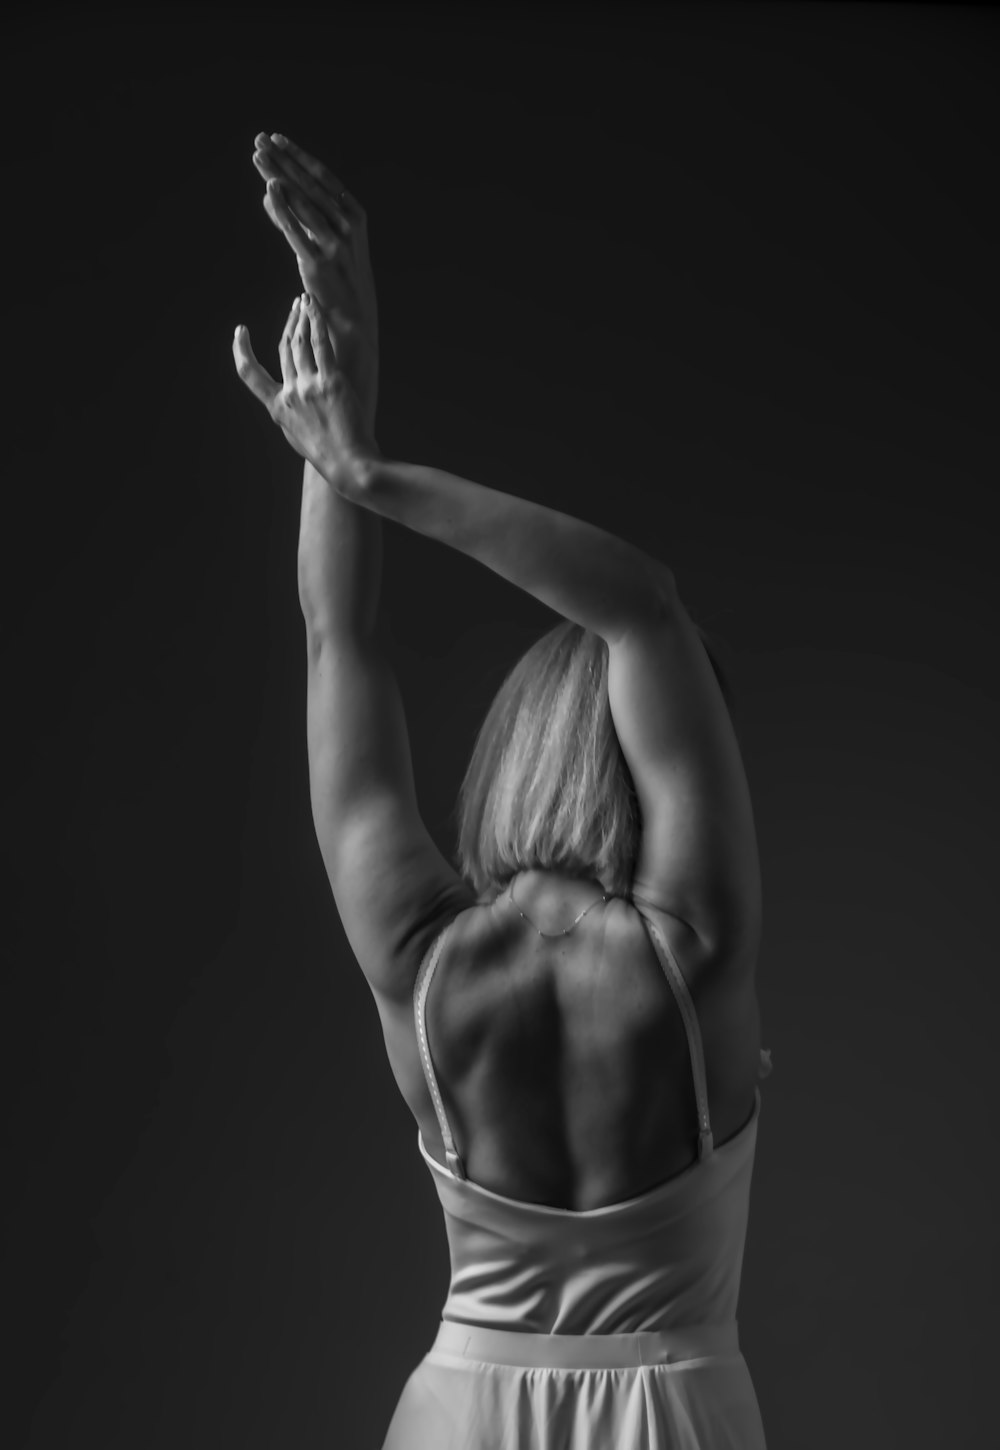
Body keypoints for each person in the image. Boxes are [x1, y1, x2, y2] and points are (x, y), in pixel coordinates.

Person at [234, 133, 773, 1449]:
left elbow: (336, 638)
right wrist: (376, 472)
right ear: (653, 757)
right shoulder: (691, 947)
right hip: (675, 1404)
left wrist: (340, 420)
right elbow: (643, 609)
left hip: (461, 1405)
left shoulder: (419, 957)